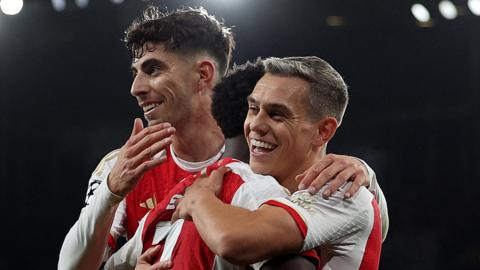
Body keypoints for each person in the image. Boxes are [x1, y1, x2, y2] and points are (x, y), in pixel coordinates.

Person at [58, 6, 385, 270]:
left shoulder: (262, 160)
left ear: (203, 75)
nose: (136, 88)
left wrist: (367, 177)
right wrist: (110, 192)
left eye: (153, 70)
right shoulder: (123, 168)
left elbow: (366, 226)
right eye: (136, 72)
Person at [102, 58, 388, 269]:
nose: (255, 125)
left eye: (277, 115)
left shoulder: (342, 194)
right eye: (253, 109)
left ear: (323, 131)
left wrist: (199, 201)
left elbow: (232, 241)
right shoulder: (225, 186)